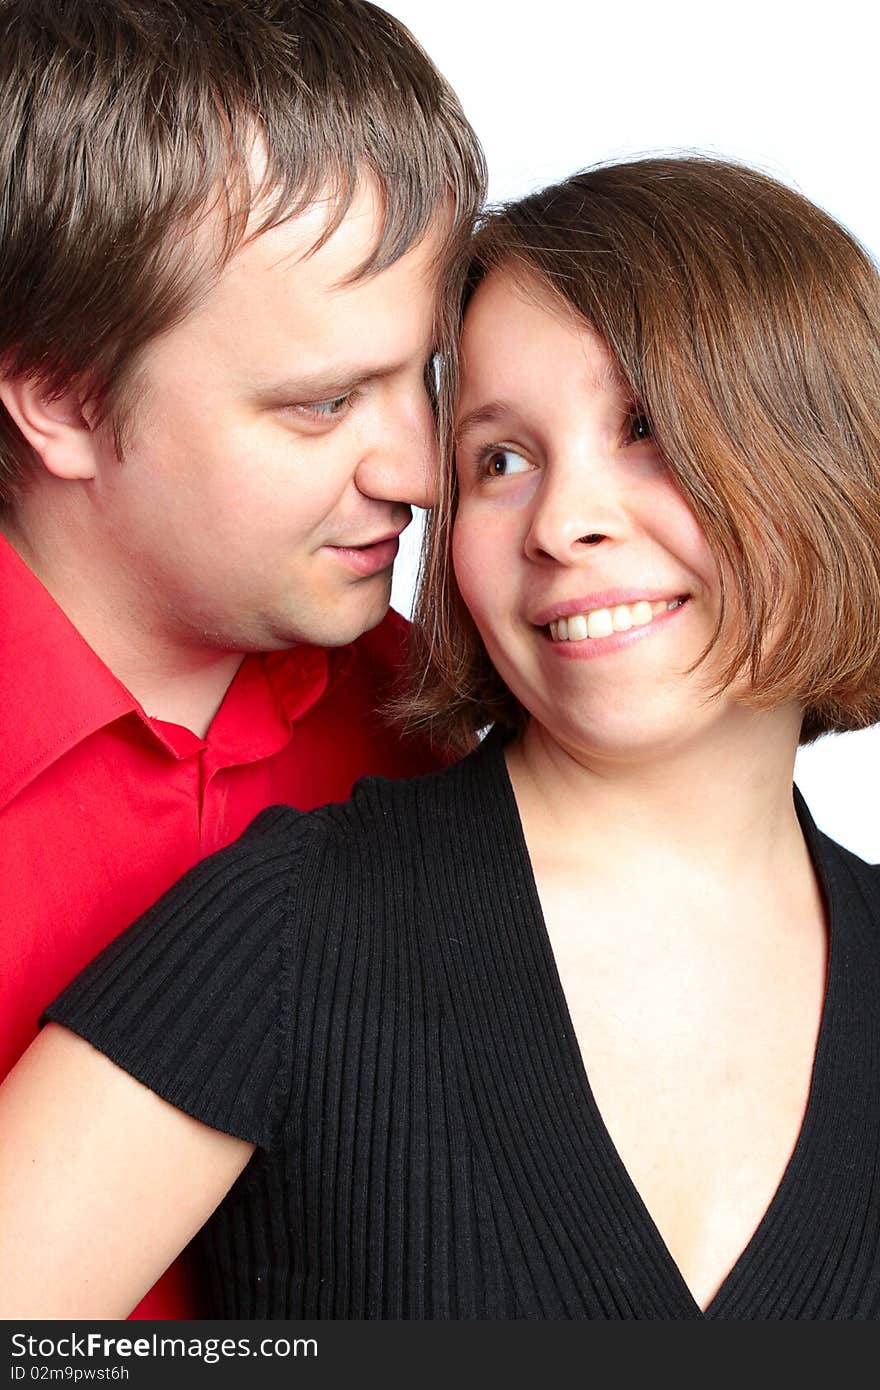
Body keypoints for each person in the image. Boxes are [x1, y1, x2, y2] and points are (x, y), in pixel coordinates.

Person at [2, 155, 880, 1320]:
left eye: (649, 429)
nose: (564, 523)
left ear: (823, 456)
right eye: (499, 460)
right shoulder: (283, 924)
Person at [0, 0, 484, 1319]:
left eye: (427, 380)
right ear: (64, 399)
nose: (423, 470)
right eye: (323, 402)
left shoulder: (439, 732)